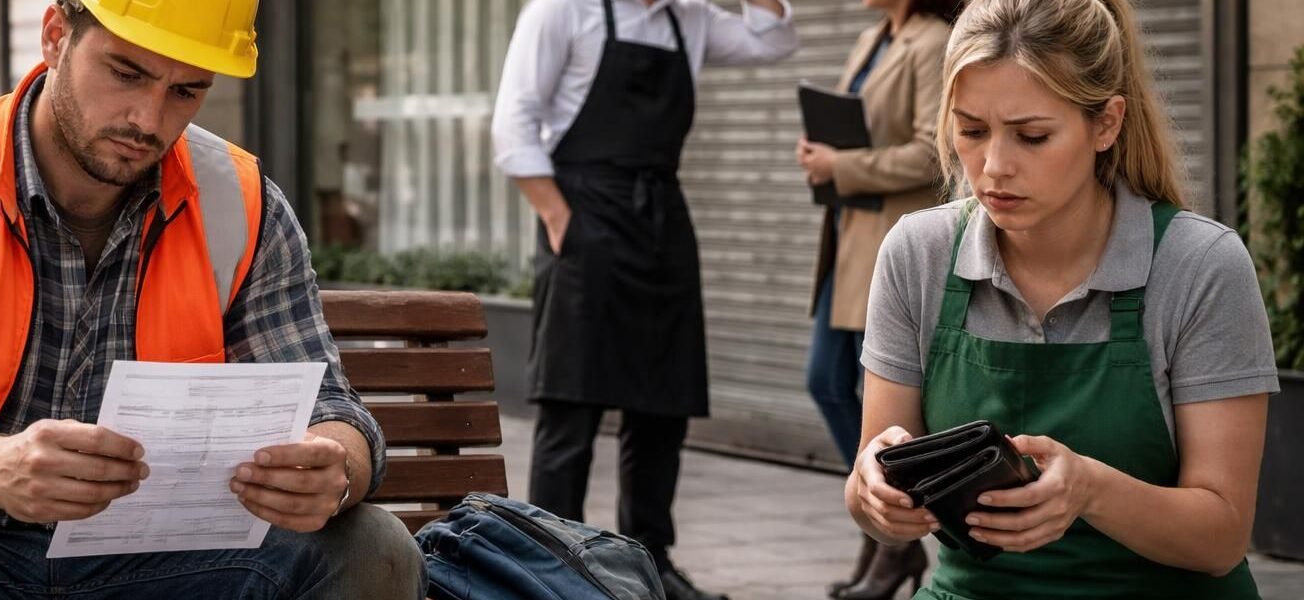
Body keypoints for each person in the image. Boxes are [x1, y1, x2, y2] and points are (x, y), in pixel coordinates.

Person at [0, 1, 423, 598]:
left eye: (186, 90)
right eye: (127, 73)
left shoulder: (243, 203)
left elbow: (335, 413)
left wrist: (334, 471)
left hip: (171, 562)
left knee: (370, 545)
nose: (149, 119)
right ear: (55, 35)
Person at [846, 0, 1276, 598]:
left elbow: (1223, 537)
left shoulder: (1201, 266)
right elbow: (870, 482)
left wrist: (1091, 491)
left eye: (1032, 136)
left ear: (1107, 124)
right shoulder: (916, 253)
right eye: (971, 131)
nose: (993, 167)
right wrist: (873, 495)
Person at [491, 1, 799, 599]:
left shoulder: (694, 19)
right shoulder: (561, 11)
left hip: (663, 215)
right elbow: (513, 124)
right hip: (585, 211)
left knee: (664, 404)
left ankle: (652, 564)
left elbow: (775, 41)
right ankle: (549, 568)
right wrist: (558, 217)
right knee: (570, 405)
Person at [792, 1, 959, 597]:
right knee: (825, 381)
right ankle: (891, 535)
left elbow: (933, 149)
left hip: (891, 237)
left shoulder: (934, 40)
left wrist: (845, 165)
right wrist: (821, 156)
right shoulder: (872, 39)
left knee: (880, 399)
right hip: (847, 239)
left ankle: (893, 541)